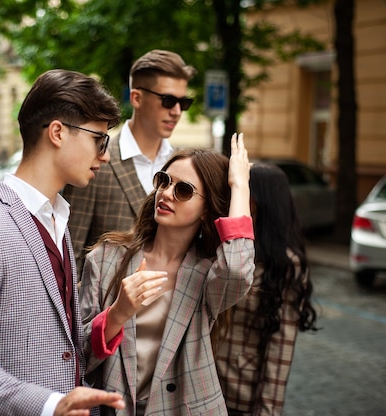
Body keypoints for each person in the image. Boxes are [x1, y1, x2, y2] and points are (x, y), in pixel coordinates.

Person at [0, 69, 126, 416]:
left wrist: (116, 316)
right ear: (58, 132)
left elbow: (57, 345)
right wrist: (49, 405)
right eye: (100, 139)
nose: (105, 155)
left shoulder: (58, 221)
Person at [80, 133, 255, 415]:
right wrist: (117, 313)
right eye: (164, 180)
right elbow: (78, 352)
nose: (166, 193)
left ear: (206, 209)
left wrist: (240, 186)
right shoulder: (106, 257)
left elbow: (237, 268)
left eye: (184, 190)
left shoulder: (207, 274)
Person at [62, 49, 197, 273]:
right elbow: (71, 256)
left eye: (183, 103)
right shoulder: (96, 162)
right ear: (136, 98)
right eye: (168, 100)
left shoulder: (184, 167)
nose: (176, 112)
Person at [214, 162, 319, 416]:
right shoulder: (229, 246)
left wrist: (267, 411)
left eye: (244, 191)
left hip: (240, 395)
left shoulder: (286, 264)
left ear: (263, 201)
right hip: (203, 385)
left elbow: (280, 349)